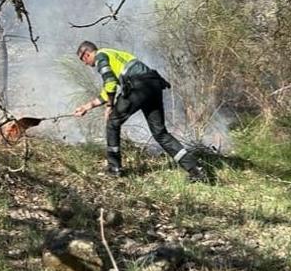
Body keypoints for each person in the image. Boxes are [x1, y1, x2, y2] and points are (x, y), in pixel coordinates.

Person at [72, 41, 208, 182]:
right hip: (152, 84)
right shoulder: (113, 54)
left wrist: (109, 107)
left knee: (112, 123)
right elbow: (107, 91)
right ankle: (195, 170)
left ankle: (114, 170)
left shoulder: (100, 57)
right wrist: (86, 107)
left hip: (138, 87)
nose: (86, 64)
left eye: (83, 61)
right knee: (160, 133)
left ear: (86, 54)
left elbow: (110, 82)